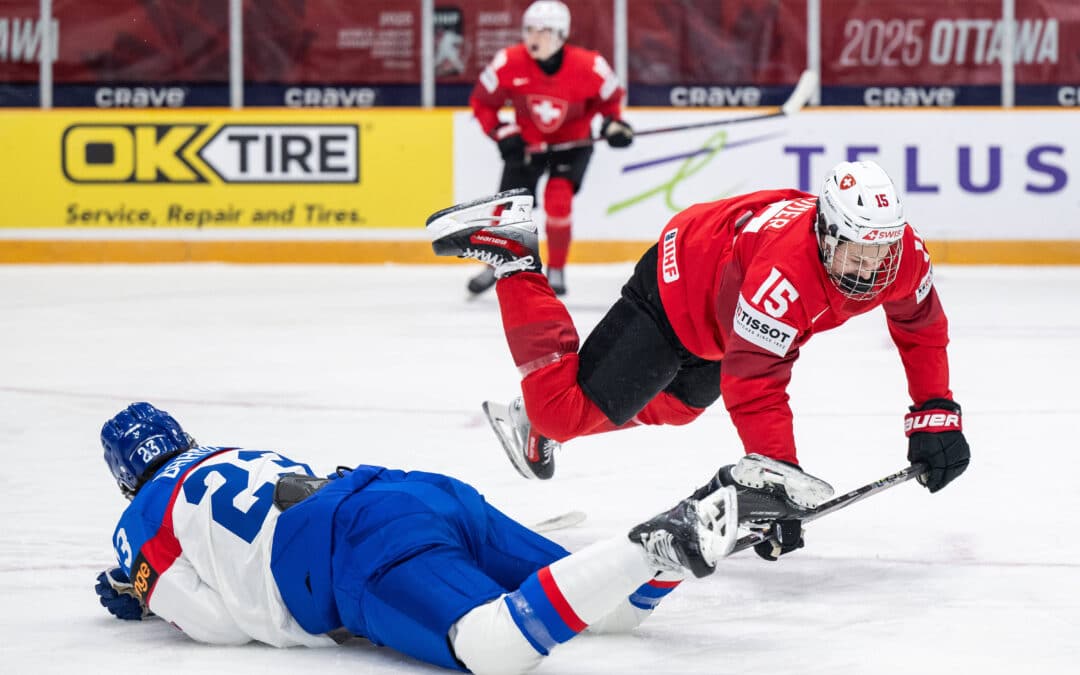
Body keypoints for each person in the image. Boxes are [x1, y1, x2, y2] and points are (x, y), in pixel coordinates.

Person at [427, 160, 971, 558]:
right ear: (826, 232)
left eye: (883, 248)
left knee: (682, 406)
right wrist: (775, 479)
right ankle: (514, 253)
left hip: (723, 299)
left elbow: (920, 326)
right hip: (681, 282)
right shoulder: (784, 278)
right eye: (858, 248)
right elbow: (755, 380)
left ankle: (539, 419)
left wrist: (936, 407)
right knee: (559, 412)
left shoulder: (901, 254)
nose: (872, 266)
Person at [94, 402, 743, 674]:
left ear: (126, 478)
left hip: (355, 548)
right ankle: (664, 559)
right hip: (415, 492)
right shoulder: (226, 451)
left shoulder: (140, 521)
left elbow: (216, 624)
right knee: (606, 614)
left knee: (491, 646)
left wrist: (151, 593)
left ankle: (649, 544)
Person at [466, 0, 634, 297]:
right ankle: (495, 264)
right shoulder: (508, 61)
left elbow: (610, 103)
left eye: (542, 31)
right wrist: (503, 133)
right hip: (529, 147)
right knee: (507, 210)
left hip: (572, 146)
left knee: (558, 200)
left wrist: (614, 126)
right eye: (529, 30)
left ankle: (556, 268)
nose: (534, 37)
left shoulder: (590, 65)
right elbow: (483, 103)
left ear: (560, 34)